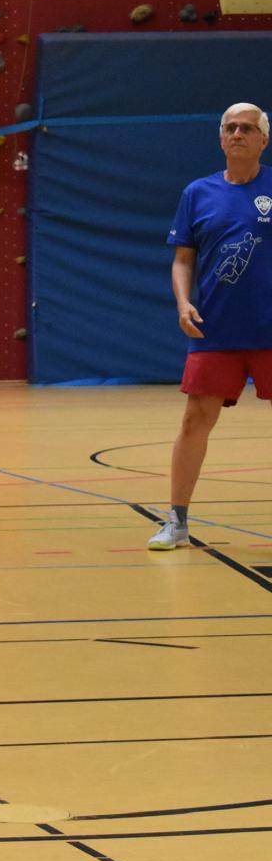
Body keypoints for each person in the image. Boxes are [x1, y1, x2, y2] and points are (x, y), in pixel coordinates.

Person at [149, 102, 272, 551]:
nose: (238, 133)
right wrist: (183, 303)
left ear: (263, 139)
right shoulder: (197, 193)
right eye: (230, 127)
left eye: (247, 128)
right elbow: (183, 259)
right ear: (221, 137)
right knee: (195, 420)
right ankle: (177, 522)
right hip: (215, 330)